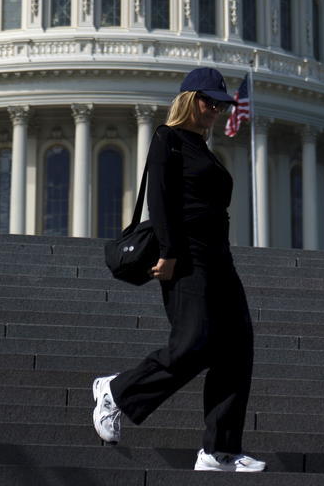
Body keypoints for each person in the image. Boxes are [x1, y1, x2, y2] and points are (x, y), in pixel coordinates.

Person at [91, 67, 264, 472]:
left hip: (219, 258)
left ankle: (220, 451)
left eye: (220, 104)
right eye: (208, 101)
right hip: (186, 258)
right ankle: (116, 392)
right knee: (193, 342)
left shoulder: (203, 147)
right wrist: (168, 253)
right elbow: (162, 199)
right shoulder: (168, 139)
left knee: (237, 349)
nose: (215, 110)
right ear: (189, 100)